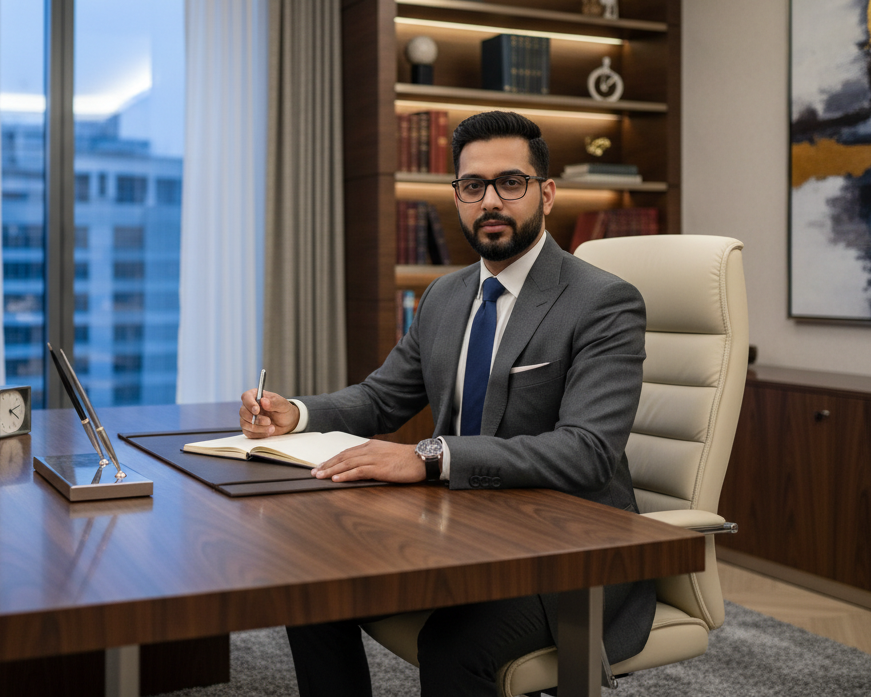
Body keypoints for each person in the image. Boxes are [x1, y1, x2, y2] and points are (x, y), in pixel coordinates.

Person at [238, 110, 653, 697]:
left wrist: (431, 456)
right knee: (312, 580)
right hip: (459, 526)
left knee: (452, 648)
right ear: (457, 196)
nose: (490, 201)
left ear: (547, 193)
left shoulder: (603, 302)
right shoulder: (446, 294)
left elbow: (586, 452)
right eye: (472, 186)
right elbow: (382, 398)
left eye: (511, 183)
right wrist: (297, 413)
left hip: (567, 548)